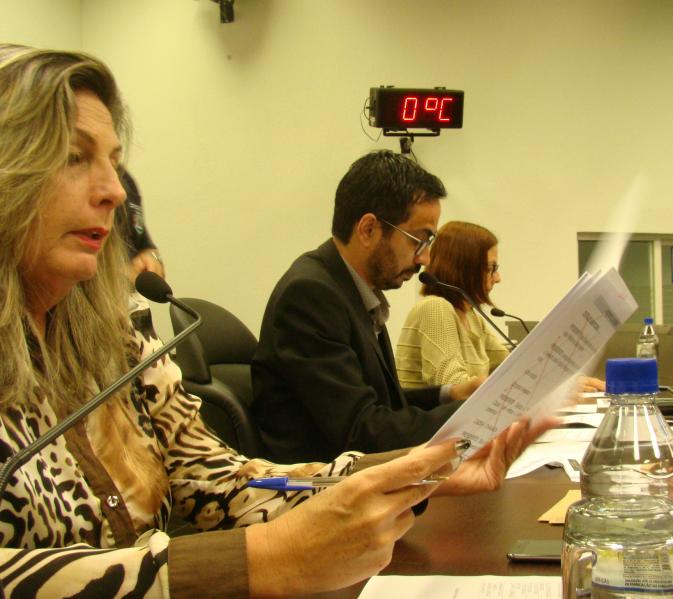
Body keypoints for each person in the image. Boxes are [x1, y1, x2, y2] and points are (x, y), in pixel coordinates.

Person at [0, 44, 554, 598]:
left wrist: (419, 468)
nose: (115, 191)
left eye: (115, 163)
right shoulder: (314, 292)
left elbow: (220, 483)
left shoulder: (122, 342)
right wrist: (259, 559)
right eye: (74, 157)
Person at [251, 151, 484, 463]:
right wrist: (475, 412)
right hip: (320, 484)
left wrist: (451, 394)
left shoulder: (347, 289)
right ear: (368, 229)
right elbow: (364, 432)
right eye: (419, 240)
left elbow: (381, 405)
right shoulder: (310, 296)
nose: (425, 258)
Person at [396, 221, 509, 388]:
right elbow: (451, 383)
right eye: (491, 268)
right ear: (465, 269)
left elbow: (511, 364)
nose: (498, 278)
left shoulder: (472, 317)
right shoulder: (434, 307)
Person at [117, 169, 165, 280]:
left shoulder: (125, 178)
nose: (119, 193)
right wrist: (118, 274)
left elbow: (144, 244)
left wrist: (153, 259)